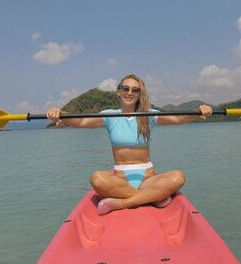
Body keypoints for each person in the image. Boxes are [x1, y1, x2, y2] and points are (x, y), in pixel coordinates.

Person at [47, 74, 213, 215]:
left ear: (140, 94)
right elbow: (81, 121)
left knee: (178, 177)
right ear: (118, 92)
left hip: (148, 177)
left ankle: (123, 203)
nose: (129, 92)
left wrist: (198, 113)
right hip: (120, 179)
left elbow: (177, 119)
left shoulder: (148, 115)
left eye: (135, 90)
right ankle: (153, 197)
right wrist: (61, 115)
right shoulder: (109, 116)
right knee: (97, 178)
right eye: (125, 88)